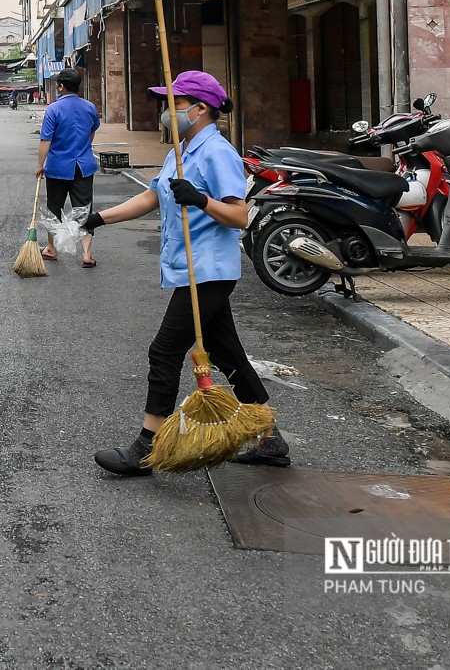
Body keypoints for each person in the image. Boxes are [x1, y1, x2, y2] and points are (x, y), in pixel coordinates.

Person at [82, 70, 287, 474]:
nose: (165, 112)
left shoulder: (217, 152)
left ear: (200, 109)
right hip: (193, 269)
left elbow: (240, 215)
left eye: (172, 105)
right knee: (227, 353)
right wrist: (100, 219)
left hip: (209, 270)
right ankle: (270, 438)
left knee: (164, 351)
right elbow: (151, 196)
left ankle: (146, 447)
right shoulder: (184, 148)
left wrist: (200, 199)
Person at [36, 67, 101, 267]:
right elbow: (91, 132)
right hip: (83, 166)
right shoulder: (89, 107)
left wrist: (40, 165)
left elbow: (46, 140)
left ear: (60, 86)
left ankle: (51, 249)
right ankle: (87, 254)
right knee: (84, 208)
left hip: (58, 168)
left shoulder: (53, 109)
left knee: (54, 208)